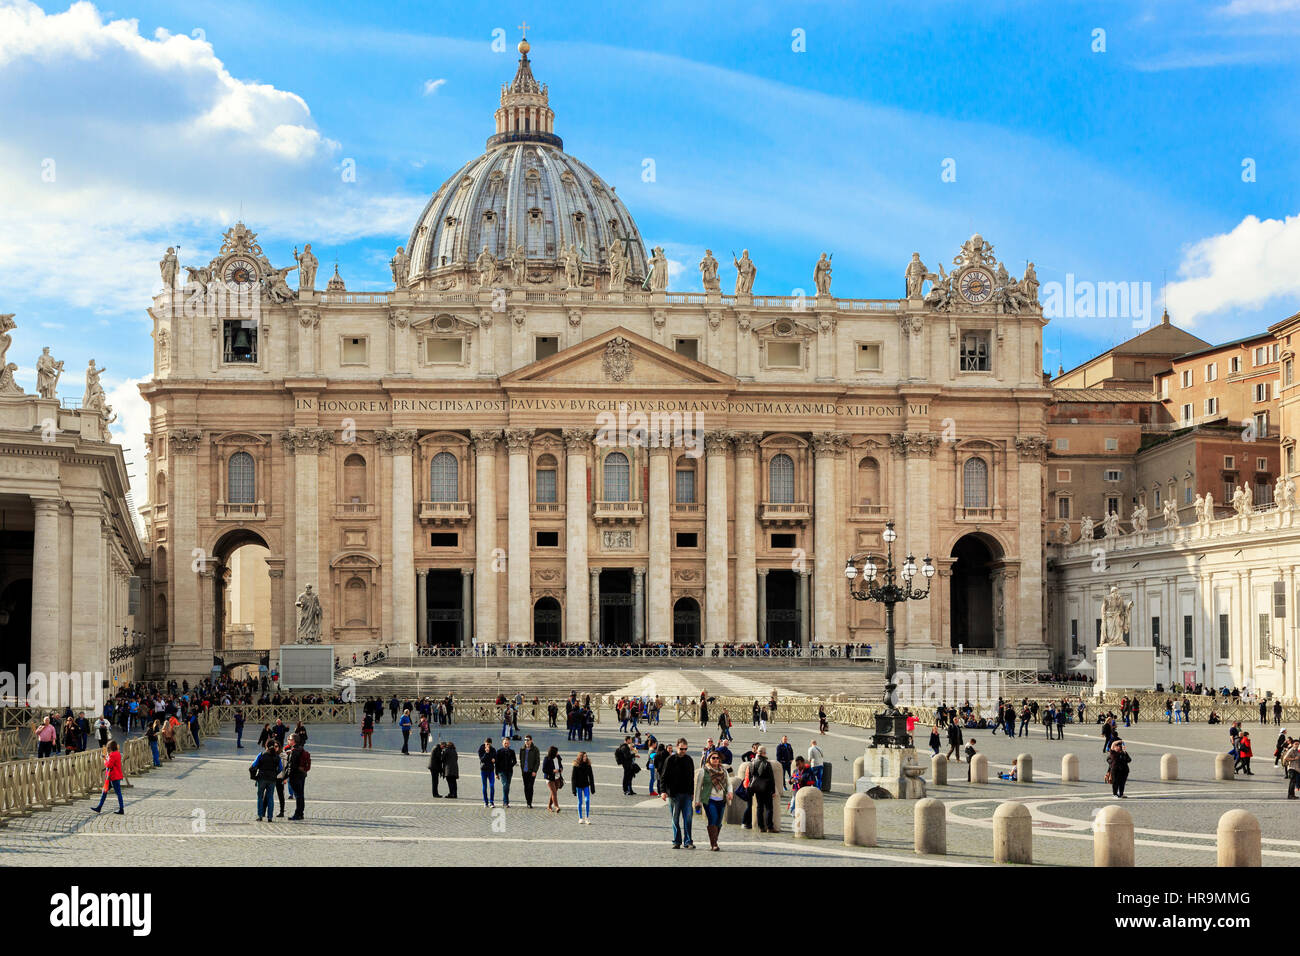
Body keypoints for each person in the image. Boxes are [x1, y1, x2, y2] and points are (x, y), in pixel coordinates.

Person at [660, 737, 697, 849]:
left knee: (688, 818)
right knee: (675, 819)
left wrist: (692, 793)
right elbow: (663, 776)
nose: (683, 751)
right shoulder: (670, 760)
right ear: (677, 747)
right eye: (681, 749)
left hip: (686, 794)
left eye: (685, 749)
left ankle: (688, 841)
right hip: (673, 795)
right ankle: (677, 841)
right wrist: (663, 791)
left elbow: (691, 778)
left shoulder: (689, 759)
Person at [695, 748, 733, 851]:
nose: (716, 759)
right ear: (709, 759)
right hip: (709, 799)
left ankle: (714, 840)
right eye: (713, 758)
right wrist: (697, 801)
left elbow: (729, 784)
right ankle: (714, 844)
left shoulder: (723, 770)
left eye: (717, 758)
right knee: (713, 818)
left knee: (719, 822)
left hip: (721, 799)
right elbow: (698, 787)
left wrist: (730, 792)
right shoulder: (704, 771)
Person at [90, 740, 127, 815]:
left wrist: (104, 760)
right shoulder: (117, 753)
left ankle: (121, 809)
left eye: (108, 747)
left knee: (118, 793)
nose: (108, 749)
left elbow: (109, 765)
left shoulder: (113, 755)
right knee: (105, 791)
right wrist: (107, 757)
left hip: (113, 776)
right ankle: (99, 807)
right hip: (112, 776)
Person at [250, 741, 282, 822]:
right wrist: (275, 773)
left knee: (260, 797)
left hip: (262, 778)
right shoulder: (277, 757)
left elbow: (254, 765)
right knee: (270, 797)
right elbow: (281, 768)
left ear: (266, 746)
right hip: (272, 779)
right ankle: (270, 817)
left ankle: (260, 815)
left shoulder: (261, 755)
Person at [749, 744, 776, 833]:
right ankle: (769, 827)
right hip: (767, 788)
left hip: (757, 788)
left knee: (759, 807)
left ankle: (761, 827)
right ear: (764, 753)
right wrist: (773, 790)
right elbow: (771, 778)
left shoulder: (752, 762)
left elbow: (751, 775)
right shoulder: (767, 763)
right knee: (769, 808)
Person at [287, 733, 310, 820]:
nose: (288, 740)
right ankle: (301, 813)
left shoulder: (294, 751)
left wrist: (286, 776)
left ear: (293, 741)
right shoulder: (301, 748)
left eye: (289, 739)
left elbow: (291, 765)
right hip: (302, 774)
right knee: (301, 794)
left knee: (298, 795)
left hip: (295, 776)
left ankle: (297, 814)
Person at [572, 751, 595, 825]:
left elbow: (591, 777)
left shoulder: (588, 765)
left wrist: (592, 788)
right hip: (578, 786)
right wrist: (573, 789)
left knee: (587, 800)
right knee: (580, 802)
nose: (586, 758)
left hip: (586, 785)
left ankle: (587, 818)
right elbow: (573, 778)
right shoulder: (576, 766)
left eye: (586, 756)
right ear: (581, 757)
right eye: (584, 756)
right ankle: (580, 818)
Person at [519, 734, 540, 808]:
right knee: (525, 786)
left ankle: (529, 802)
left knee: (530, 786)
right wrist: (522, 769)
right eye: (525, 740)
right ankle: (527, 801)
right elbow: (521, 760)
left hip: (532, 771)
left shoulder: (535, 749)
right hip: (524, 771)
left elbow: (537, 761)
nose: (526, 741)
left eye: (527, 740)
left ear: (531, 740)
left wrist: (535, 771)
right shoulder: (522, 749)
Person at [496, 736, 517, 808]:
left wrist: (510, 765)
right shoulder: (499, 751)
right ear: (502, 743)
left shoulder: (512, 751)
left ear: (509, 744)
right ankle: (506, 802)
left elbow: (515, 761)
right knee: (505, 785)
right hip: (501, 771)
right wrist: (496, 773)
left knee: (507, 786)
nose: (506, 744)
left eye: (507, 743)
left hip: (509, 771)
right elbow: (496, 763)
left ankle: (505, 800)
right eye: (505, 743)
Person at [543, 745, 564, 812]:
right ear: (553, 752)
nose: (557, 753)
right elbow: (544, 769)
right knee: (554, 792)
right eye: (556, 752)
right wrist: (552, 771)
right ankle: (556, 806)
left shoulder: (558, 757)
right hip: (550, 778)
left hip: (557, 777)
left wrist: (560, 769)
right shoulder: (547, 759)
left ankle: (549, 806)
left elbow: (560, 765)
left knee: (553, 792)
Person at [478, 737, 497, 807]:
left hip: (491, 770)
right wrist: (486, 753)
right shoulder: (481, 749)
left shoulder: (493, 749)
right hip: (483, 770)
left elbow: (495, 758)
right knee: (484, 786)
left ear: (491, 744)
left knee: (492, 786)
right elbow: (482, 759)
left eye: (489, 744)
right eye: (486, 744)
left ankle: (491, 802)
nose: (487, 746)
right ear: (484, 743)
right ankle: (486, 802)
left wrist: (494, 759)